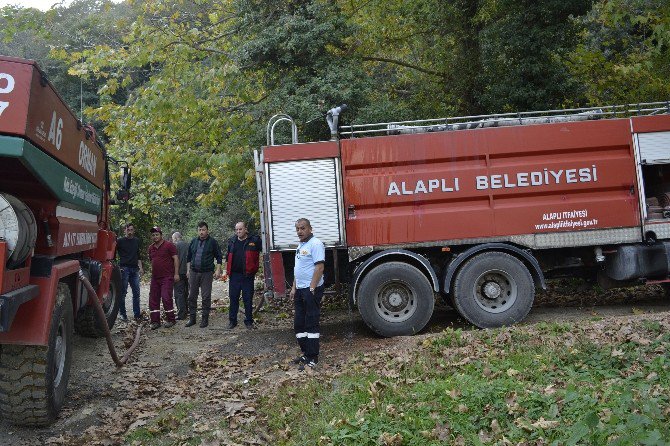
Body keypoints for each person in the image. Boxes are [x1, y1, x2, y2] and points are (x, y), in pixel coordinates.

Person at [290, 218, 325, 371]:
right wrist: (293, 287)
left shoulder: (316, 244)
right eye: (297, 229)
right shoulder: (301, 245)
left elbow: (319, 268)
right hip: (300, 289)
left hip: (311, 289)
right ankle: (306, 353)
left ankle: (313, 357)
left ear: (310, 229)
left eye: (302, 228)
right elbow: (298, 268)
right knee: (299, 323)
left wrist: (312, 288)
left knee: (311, 323)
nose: (299, 231)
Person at [224, 221, 262, 329]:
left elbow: (264, 252)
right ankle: (232, 321)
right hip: (234, 276)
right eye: (236, 230)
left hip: (248, 276)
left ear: (246, 229)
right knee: (233, 299)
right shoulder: (232, 241)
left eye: (240, 229)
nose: (238, 231)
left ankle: (248, 321)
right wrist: (226, 271)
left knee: (248, 299)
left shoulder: (254, 241)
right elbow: (228, 257)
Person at [186, 221, 223, 328]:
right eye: (199, 230)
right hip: (193, 272)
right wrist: (188, 270)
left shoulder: (212, 242)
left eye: (203, 230)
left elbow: (219, 256)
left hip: (207, 273)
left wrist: (217, 270)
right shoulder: (193, 241)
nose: (201, 232)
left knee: (206, 296)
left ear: (207, 230)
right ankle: (192, 318)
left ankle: (204, 319)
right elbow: (189, 257)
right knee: (192, 296)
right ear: (197, 231)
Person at [147, 226, 179, 330]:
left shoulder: (169, 245)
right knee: (153, 299)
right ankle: (155, 322)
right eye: (153, 235)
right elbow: (152, 261)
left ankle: (171, 319)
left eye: (157, 234)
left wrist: (176, 274)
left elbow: (176, 259)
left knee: (166, 297)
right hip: (155, 278)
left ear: (161, 235)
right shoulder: (151, 248)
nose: (155, 236)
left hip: (167, 277)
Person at [116, 223, 143, 322]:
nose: (130, 232)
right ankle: (123, 314)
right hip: (124, 269)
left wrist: (141, 267)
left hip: (134, 269)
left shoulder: (136, 241)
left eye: (131, 230)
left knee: (136, 293)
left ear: (134, 230)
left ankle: (137, 314)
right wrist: (117, 267)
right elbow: (113, 254)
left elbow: (138, 255)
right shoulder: (120, 241)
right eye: (128, 230)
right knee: (123, 293)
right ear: (124, 230)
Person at [172, 231, 189, 320]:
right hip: (188, 272)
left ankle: (181, 314)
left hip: (178, 272)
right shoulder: (188, 245)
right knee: (186, 292)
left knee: (179, 293)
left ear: (175, 238)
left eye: (173, 239)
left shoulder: (174, 246)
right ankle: (186, 310)